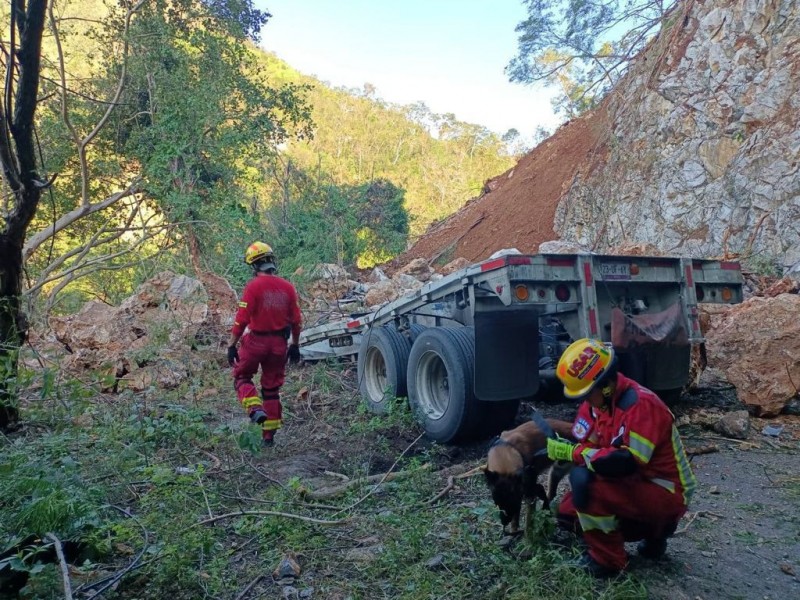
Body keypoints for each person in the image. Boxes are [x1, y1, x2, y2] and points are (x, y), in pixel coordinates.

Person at [546, 338, 696, 577]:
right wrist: (565, 448)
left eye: (586, 393)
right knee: (568, 512)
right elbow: (588, 446)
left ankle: (608, 561)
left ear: (605, 385)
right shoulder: (595, 407)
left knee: (587, 487)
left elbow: (625, 463)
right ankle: (649, 534)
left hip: (666, 490)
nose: (583, 400)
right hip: (637, 484)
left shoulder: (641, 405)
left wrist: (574, 453)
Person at [227, 241, 302, 447]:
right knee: (271, 390)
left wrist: (232, 344)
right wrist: (295, 345)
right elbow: (296, 321)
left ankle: (254, 410)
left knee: (242, 377)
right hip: (279, 345)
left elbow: (241, 319)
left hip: (255, 343)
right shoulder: (288, 287)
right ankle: (268, 438)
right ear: (272, 262)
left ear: (254, 266)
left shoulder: (253, 287)